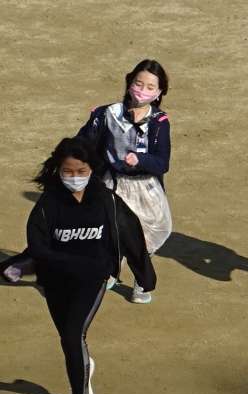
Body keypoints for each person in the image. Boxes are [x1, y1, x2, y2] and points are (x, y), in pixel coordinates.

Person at [8, 136, 156, 394]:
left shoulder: (106, 202)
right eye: (68, 171)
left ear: (92, 169)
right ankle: (84, 369)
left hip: (93, 278)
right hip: (55, 281)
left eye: (81, 171)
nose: (74, 177)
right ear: (58, 170)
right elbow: (37, 247)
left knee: (73, 334)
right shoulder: (48, 205)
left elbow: (131, 236)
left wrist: (145, 278)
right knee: (68, 338)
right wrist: (21, 265)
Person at [77, 59, 172, 304]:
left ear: (159, 92)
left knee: (141, 239)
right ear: (129, 83)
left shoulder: (159, 123)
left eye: (150, 87)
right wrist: (93, 123)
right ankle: (111, 271)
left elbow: (162, 163)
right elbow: (82, 145)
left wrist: (141, 160)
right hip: (113, 185)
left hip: (145, 190)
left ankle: (141, 282)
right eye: (138, 84)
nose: (142, 90)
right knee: (111, 232)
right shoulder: (108, 114)